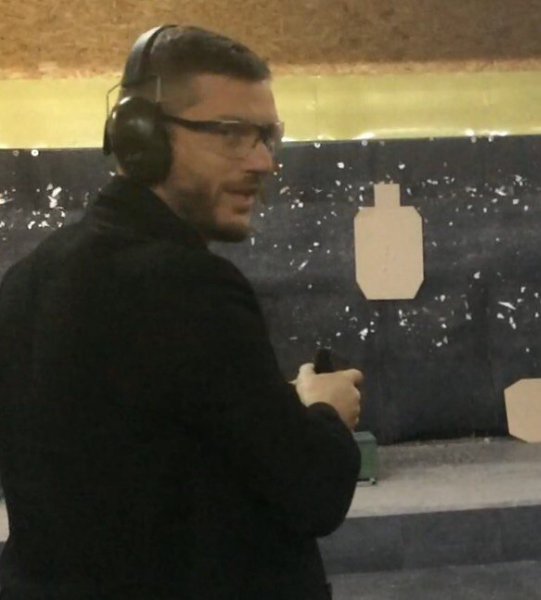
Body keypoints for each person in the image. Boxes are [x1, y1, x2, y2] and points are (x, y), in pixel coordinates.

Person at [0, 25, 363, 600]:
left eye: (268, 137)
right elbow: (312, 492)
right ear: (141, 137)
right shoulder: (188, 285)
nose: (263, 161)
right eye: (231, 133)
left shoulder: (28, 277)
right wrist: (326, 413)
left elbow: (155, 451)